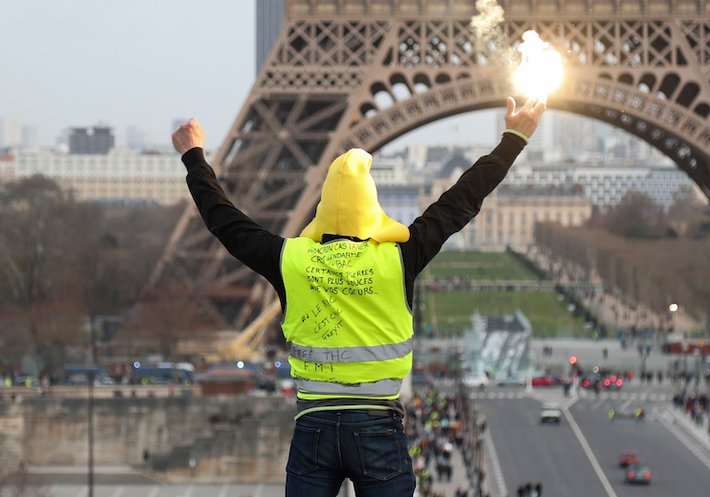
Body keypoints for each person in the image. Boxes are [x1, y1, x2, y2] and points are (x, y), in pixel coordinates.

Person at [172, 96, 546, 497]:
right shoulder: (398, 259)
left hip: (313, 424)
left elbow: (225, 222)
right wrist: (514, 137)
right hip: (377, 425)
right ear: (372, 208)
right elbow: (461, 201)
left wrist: (194, 156)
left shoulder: (291, 260)